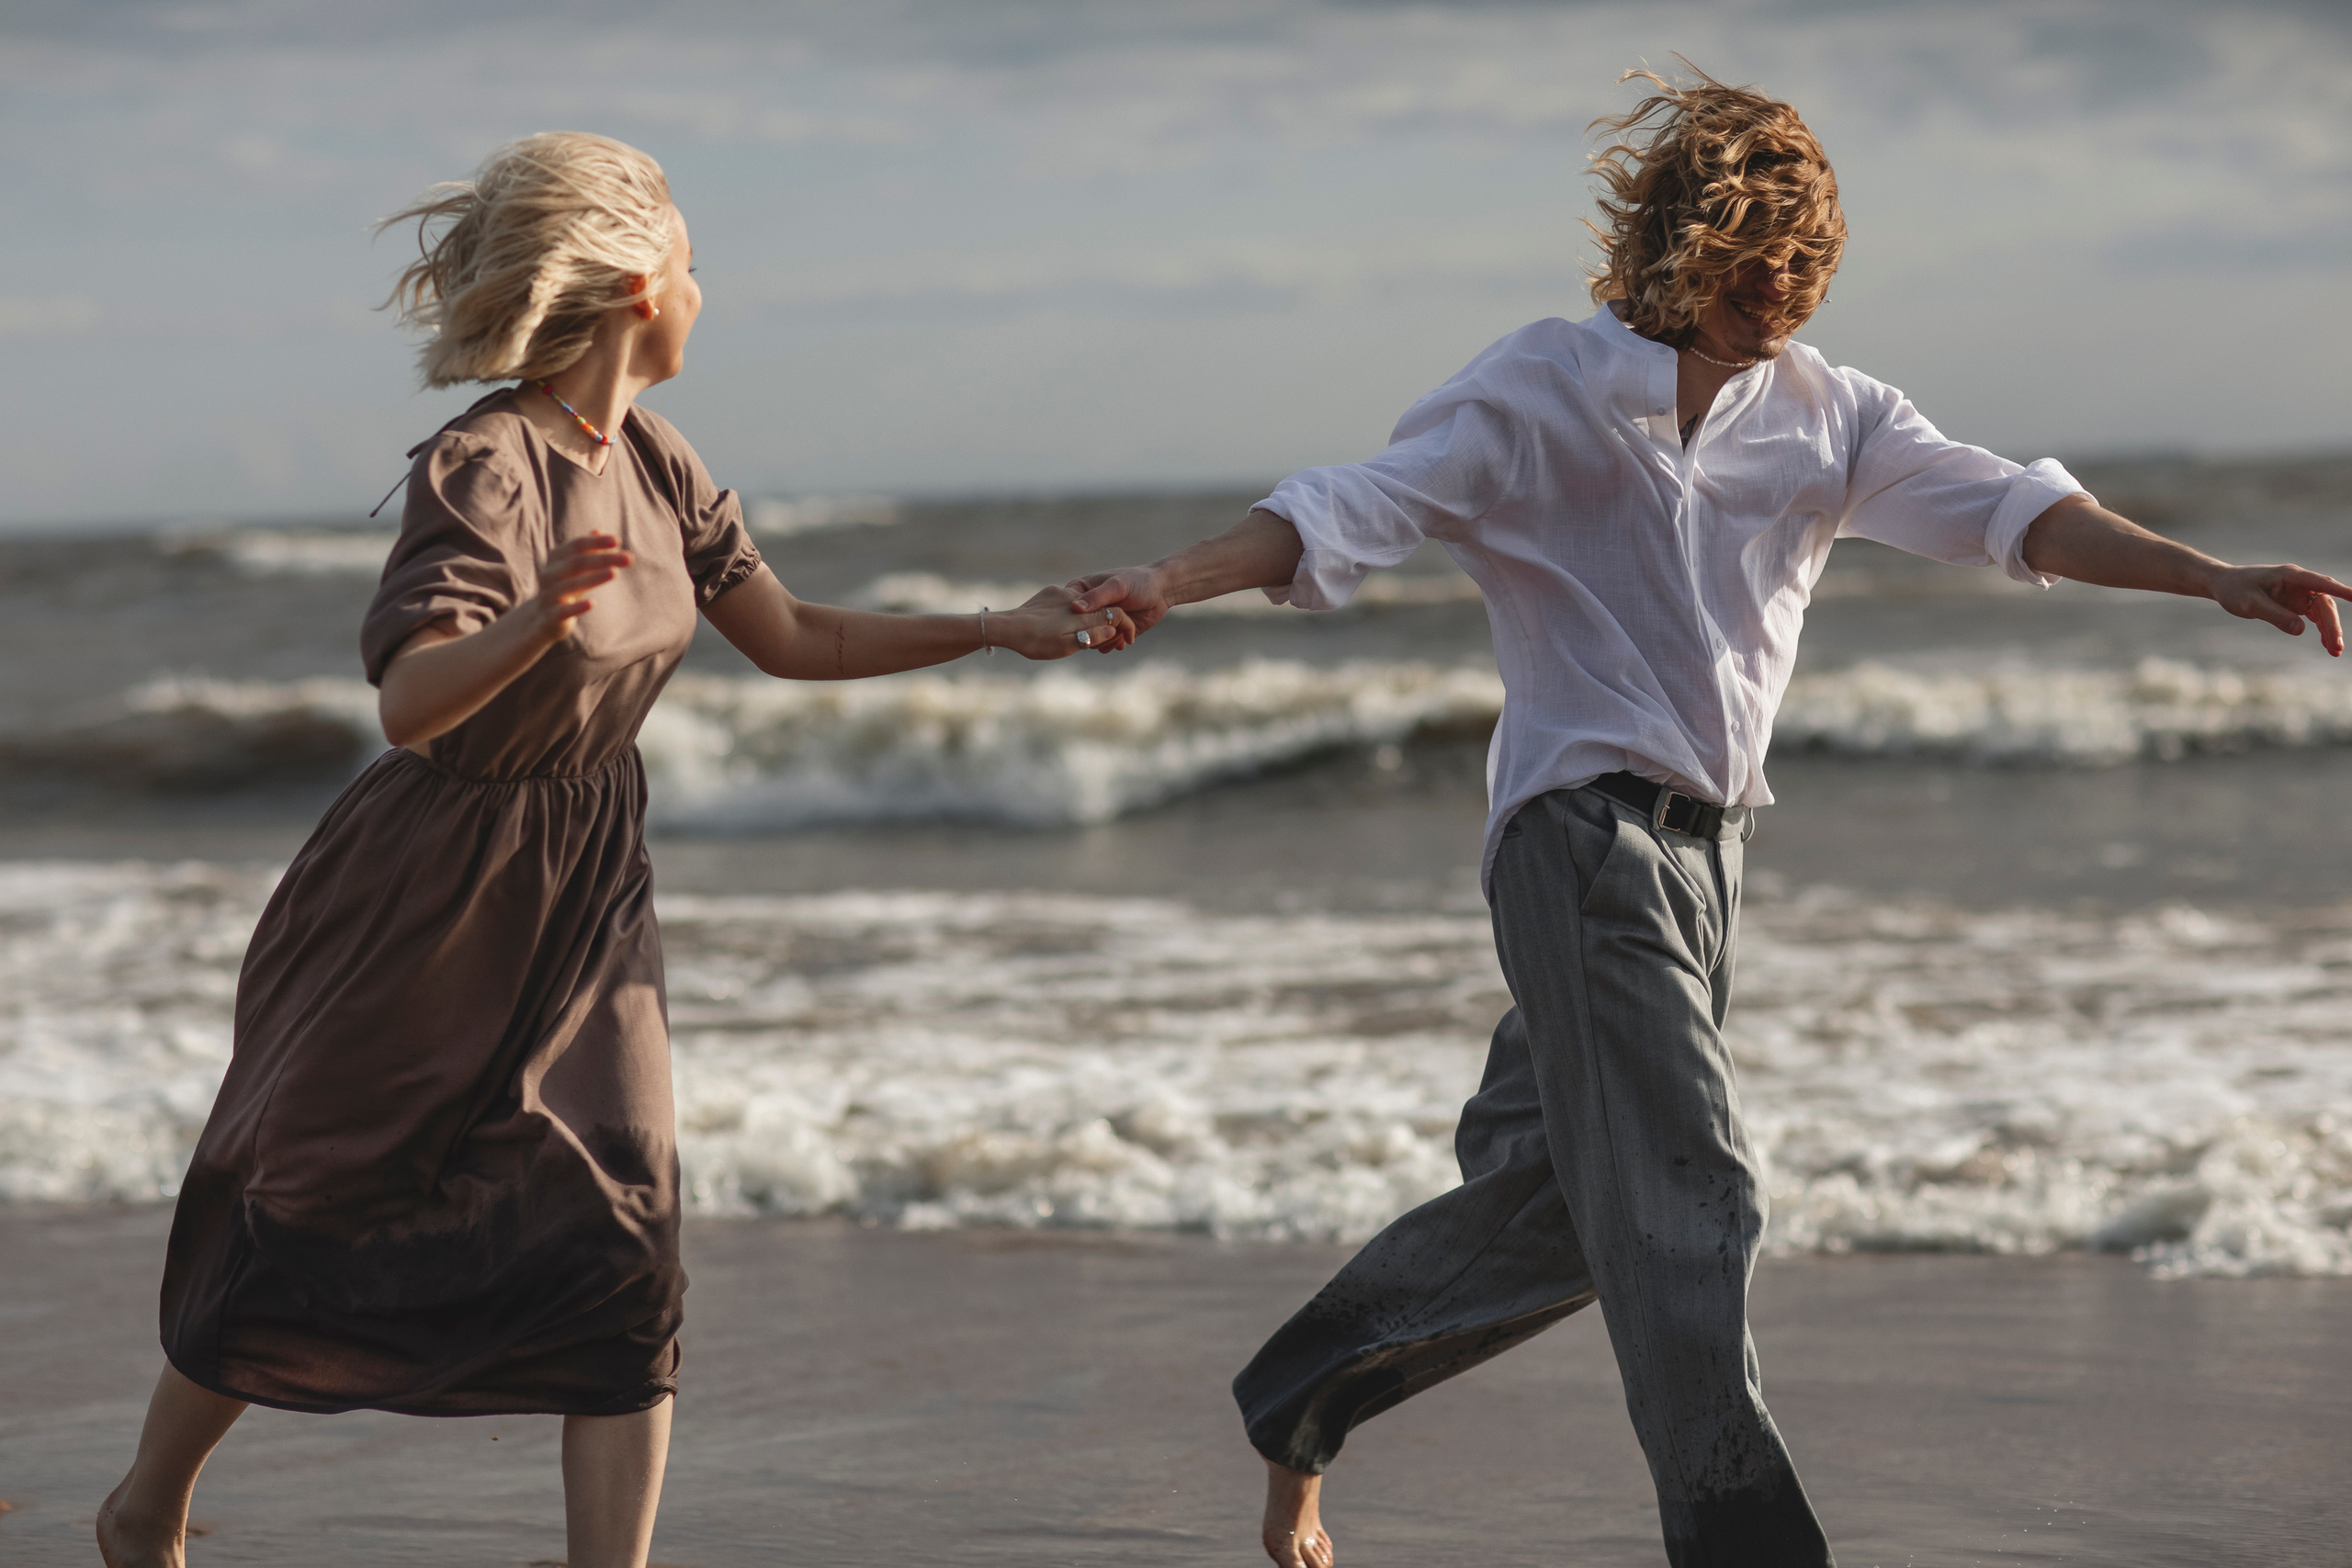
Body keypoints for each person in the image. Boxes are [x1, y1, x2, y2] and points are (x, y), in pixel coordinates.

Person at [1067, 68, 2352, 1568]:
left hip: (1709, 864)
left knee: (1567, 1210)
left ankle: (1302, 1400)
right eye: (1755, 260)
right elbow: (1352, 506)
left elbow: (2017, 511)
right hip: (1577, 840)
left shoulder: (1832, 418)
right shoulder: (1542, 389)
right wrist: (1169, 578)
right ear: (1679, 240)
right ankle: (1746, 1544)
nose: (1781, 295)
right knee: (1696, 1194)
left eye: (1807, 269)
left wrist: (2210, 575)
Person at [96, 131, 1125, 1568]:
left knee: (624, 1218)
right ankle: (147, 1507)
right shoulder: (484, 464)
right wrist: (531, 627)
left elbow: (795, 637)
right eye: (696, 261)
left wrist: (991, 630)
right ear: (643, 285)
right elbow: (407, 706)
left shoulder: (657, 458)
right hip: (430, 891)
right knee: (325, 1200)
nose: (708, 286)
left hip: (584, 877)